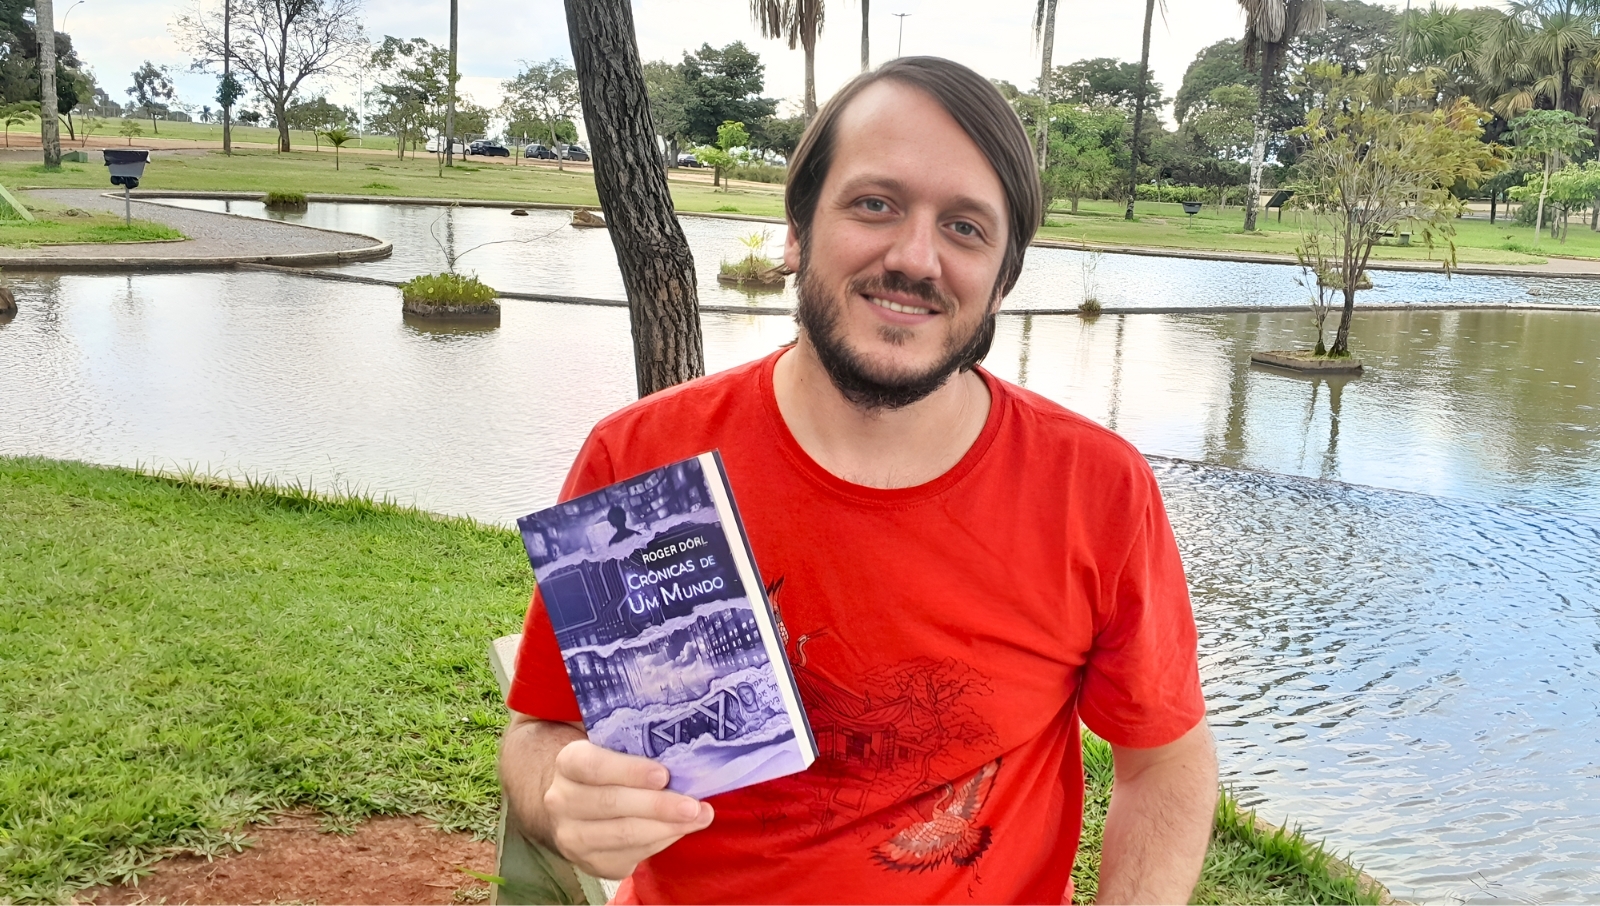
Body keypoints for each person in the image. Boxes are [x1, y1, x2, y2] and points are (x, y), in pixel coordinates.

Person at [499, 56, 1216, 904]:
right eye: (875, 204)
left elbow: (1165, 762)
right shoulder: (646, 455)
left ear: (1001, 282)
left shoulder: (1094, 488)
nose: (915, 258)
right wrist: (561, 797)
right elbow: (542, 729)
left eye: (965, 228)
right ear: (797, 231)